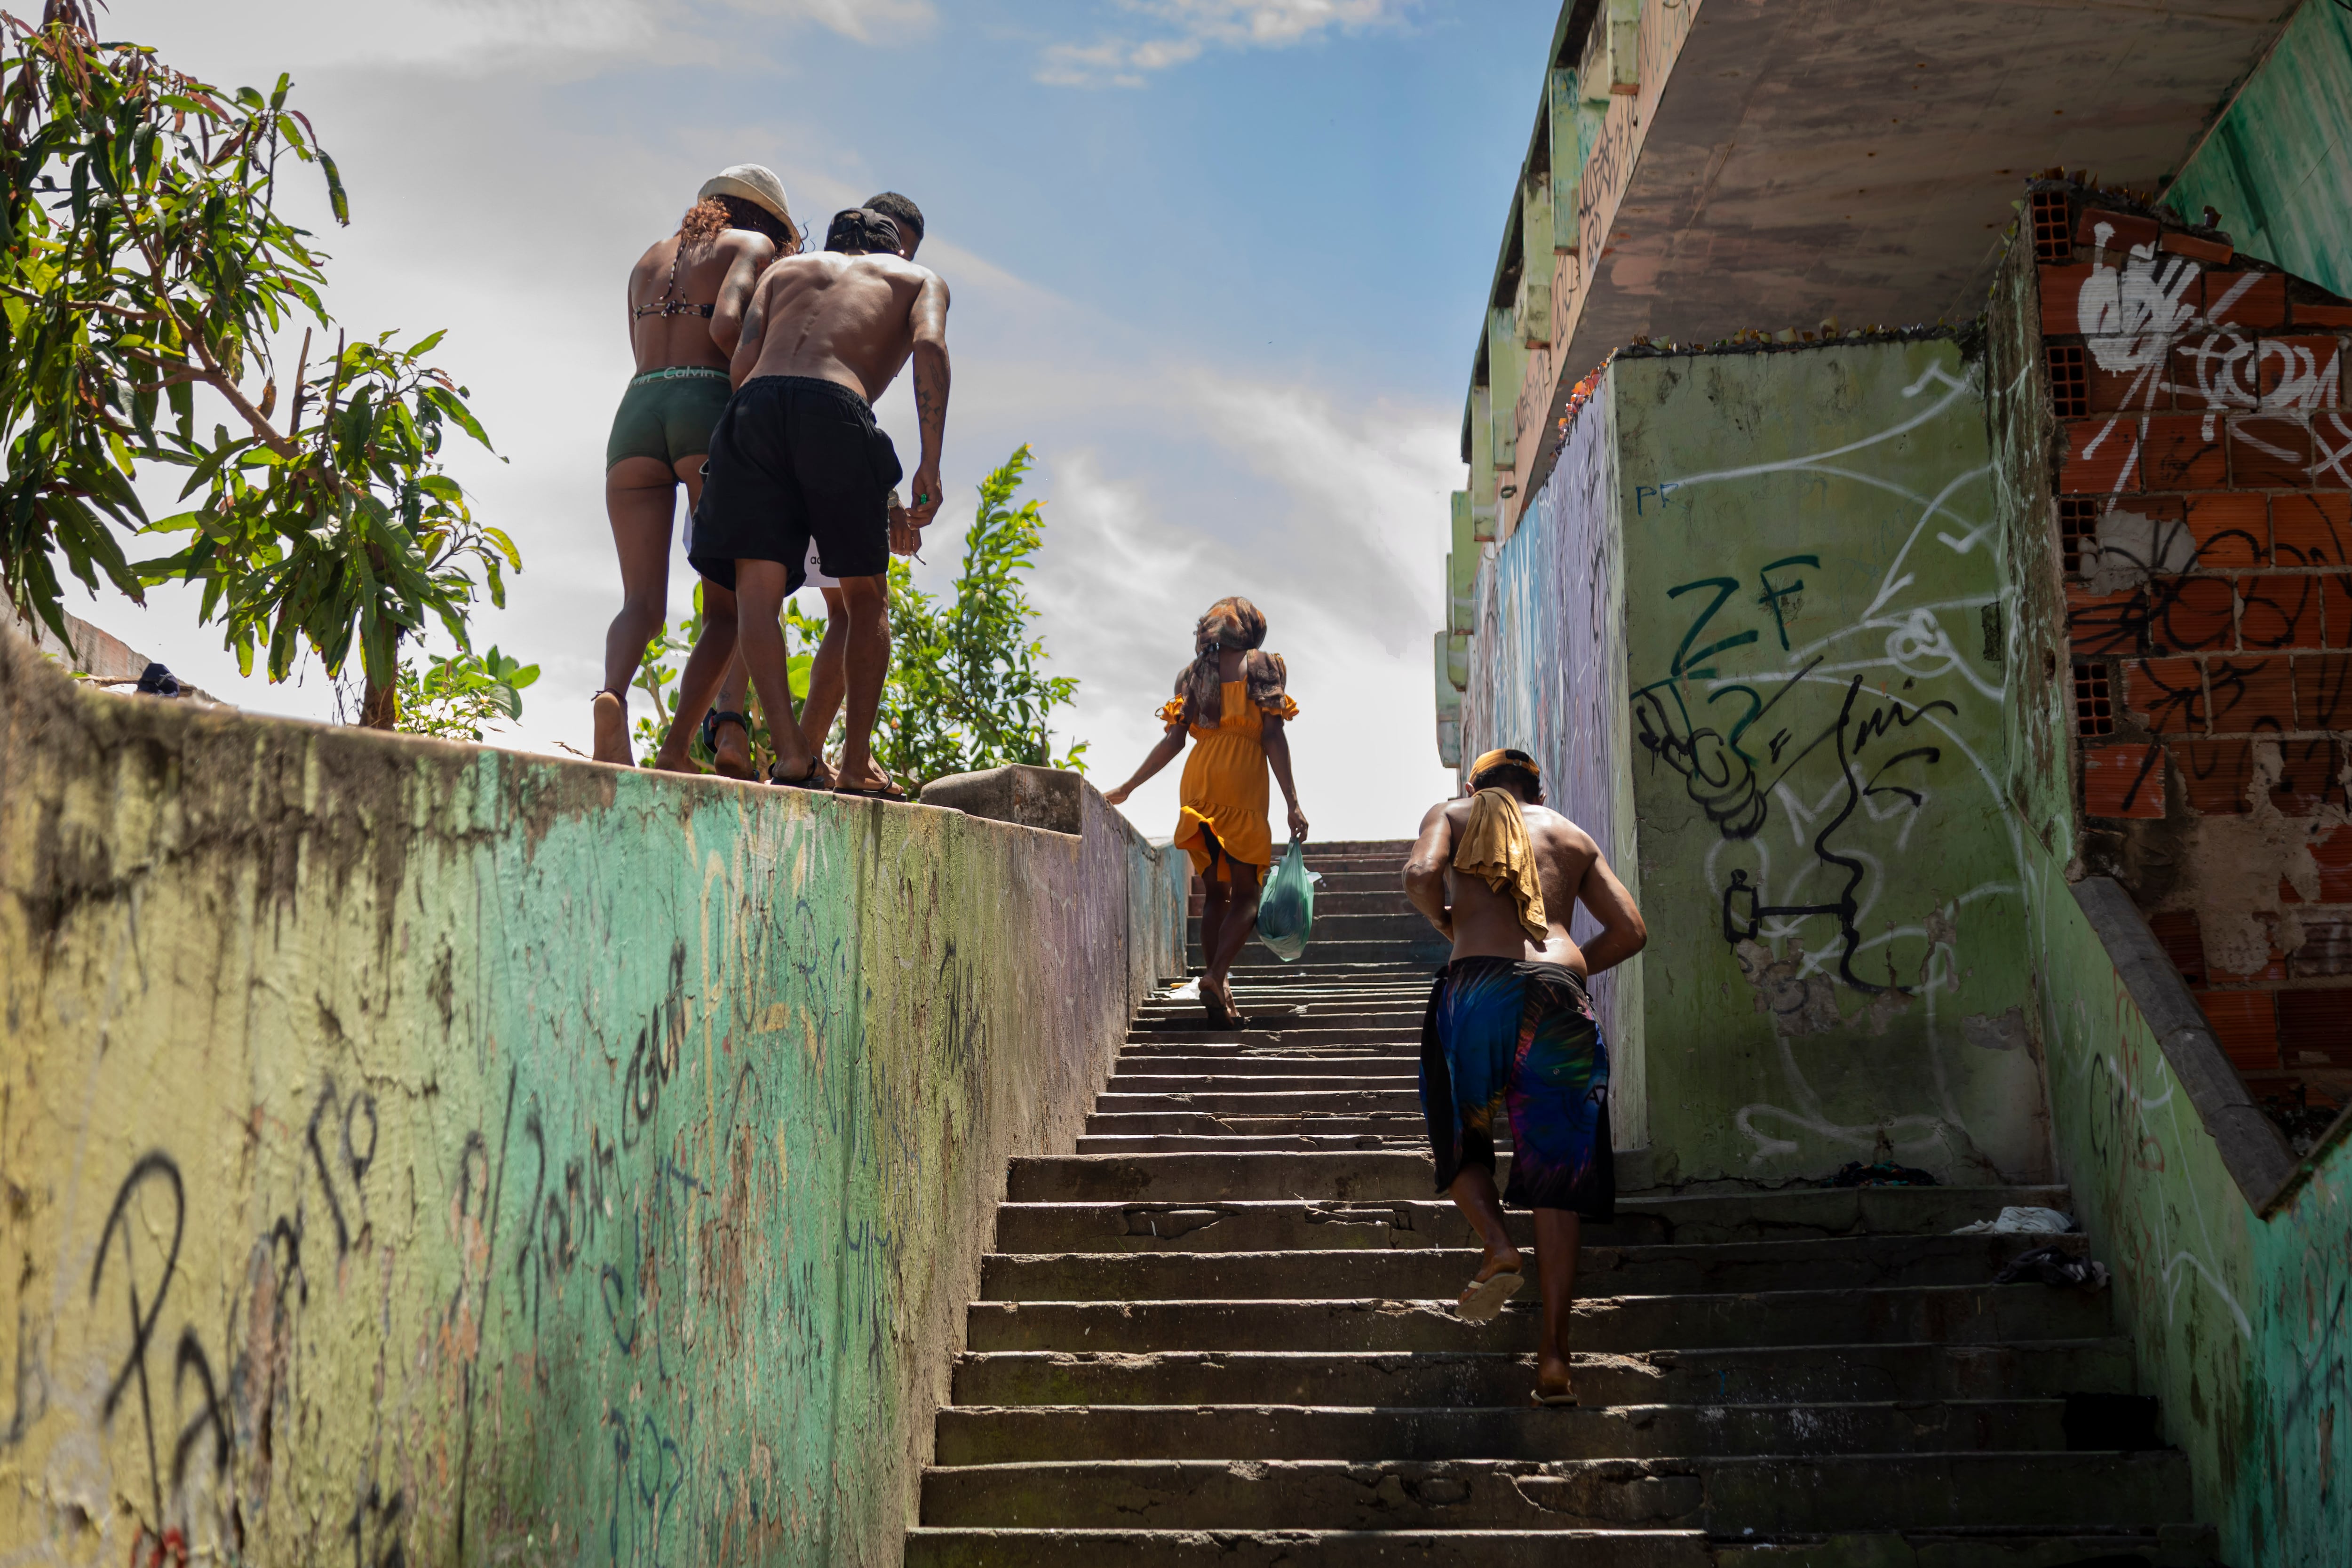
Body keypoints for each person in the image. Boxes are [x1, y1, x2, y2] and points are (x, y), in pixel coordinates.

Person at [677, 193, 949, 797]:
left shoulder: (782, 271)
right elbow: (929, 348)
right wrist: (929, 461)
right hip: (836, 406)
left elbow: (742, 363)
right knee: (864, 599)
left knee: (757, 586)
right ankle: (854, 765)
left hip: (754, 408)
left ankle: (793, 752)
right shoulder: (917, 277)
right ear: (892, 249)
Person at [1400, 748, 1647, 1408]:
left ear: (1476, 786)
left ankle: (1499, 1246)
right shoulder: (1572, 836)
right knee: (1557, 1179)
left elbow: (1420, 873)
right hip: (1561, 998)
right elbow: (1630, 931)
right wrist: (1564, 970)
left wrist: (1448, 922)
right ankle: (1555, 1359)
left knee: (1459, 1133)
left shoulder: (1454, 814)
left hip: (1477, 989)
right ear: (1537, 790)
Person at [593, 165, 802, 768]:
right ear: (764, 219)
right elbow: (725, 325)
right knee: (732, 606)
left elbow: (641, 352)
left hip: (636, 412)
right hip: (705, 409)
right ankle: (679, 748)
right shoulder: (751, 245)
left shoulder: (647, 259)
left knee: (642, 604)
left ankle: (611, 695)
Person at [1103, 597, 1310, 1026]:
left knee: (1217, 894)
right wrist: (1293, 801)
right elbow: (1273, 735)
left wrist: (1129, 786)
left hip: (1200, 784)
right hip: (1242, 783)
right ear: (1251, 629)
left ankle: (1221, 992)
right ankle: (1215, 976)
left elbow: (1174, 742)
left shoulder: (1193, 674)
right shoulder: (1265, 665)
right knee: (1248, 896)